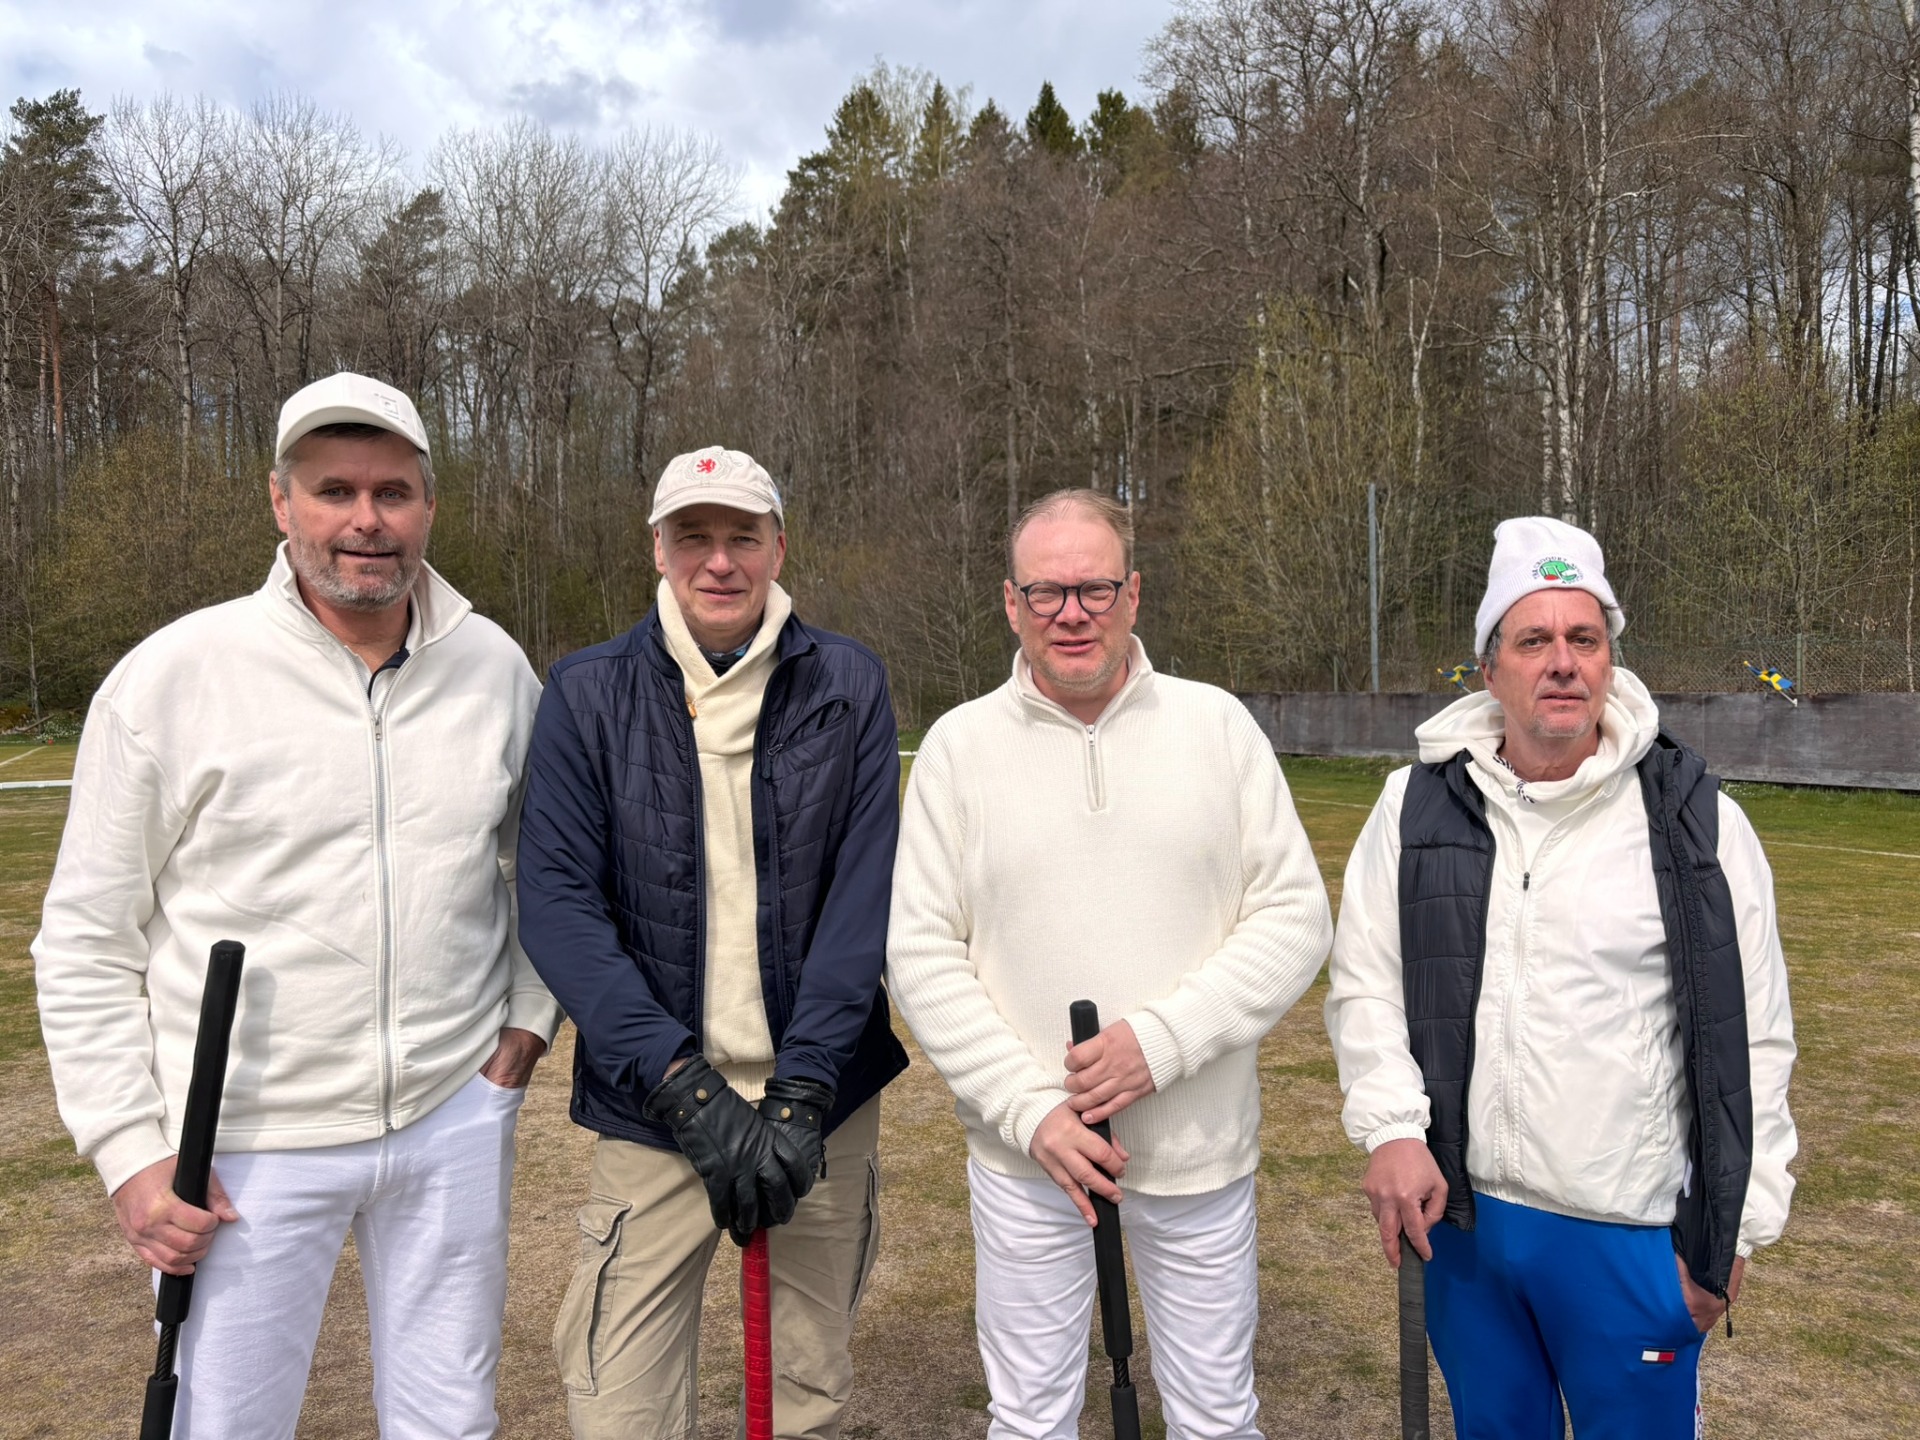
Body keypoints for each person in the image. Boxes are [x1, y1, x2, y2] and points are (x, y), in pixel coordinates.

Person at [34, 371, 559, 1438]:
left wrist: (526, 1021)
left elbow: (543, 869)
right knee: (228, 1423)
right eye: (334, 491)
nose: (366, 520)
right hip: (242, 1142)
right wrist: (131, 1150)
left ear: (429, 506)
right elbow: (85, 938)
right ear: (281, 502)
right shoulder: (175, 676)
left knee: (451, 1419)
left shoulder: (495, 668)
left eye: (392, 492)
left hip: (452, 1115)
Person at [1324, 516, 1799, 1440]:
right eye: (1533, 640)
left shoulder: (1695, 822)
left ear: (1610, 661)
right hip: (1465, 1229)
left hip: (1628, 1238)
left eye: (1584, 639)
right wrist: (1392, 1129)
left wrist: (1733, 1234)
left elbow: (1756, 1041)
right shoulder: (1416, 806)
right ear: (1489, 666)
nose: (1562, 663)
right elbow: (1367, 986)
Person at [887, 488, 1333, 1440]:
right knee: (1030, 1422)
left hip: (1197, 1153)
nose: (1072, 613)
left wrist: (1159, 1045)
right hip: (1029, 1160)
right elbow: (920, 954)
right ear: (1012, 604)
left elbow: (1295, 919)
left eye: (1094, 588)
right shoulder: (958, 749)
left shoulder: (1217, 727)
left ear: (1133, 594)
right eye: (1046, 593)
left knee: (1217, 1420)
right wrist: (1030, 1110)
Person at [516, 445, 908, 1440]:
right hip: (656, 1104)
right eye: (694, 536)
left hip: (819, 1097)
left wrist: (804, 1088)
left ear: (780, 547)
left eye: (743, 536)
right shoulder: (586, 692)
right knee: (619, 1406)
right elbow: (559, 906)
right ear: (658, 548)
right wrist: (683, 1087)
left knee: (806, 1392)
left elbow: (861, 902)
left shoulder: (848, 683)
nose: (720, 561)